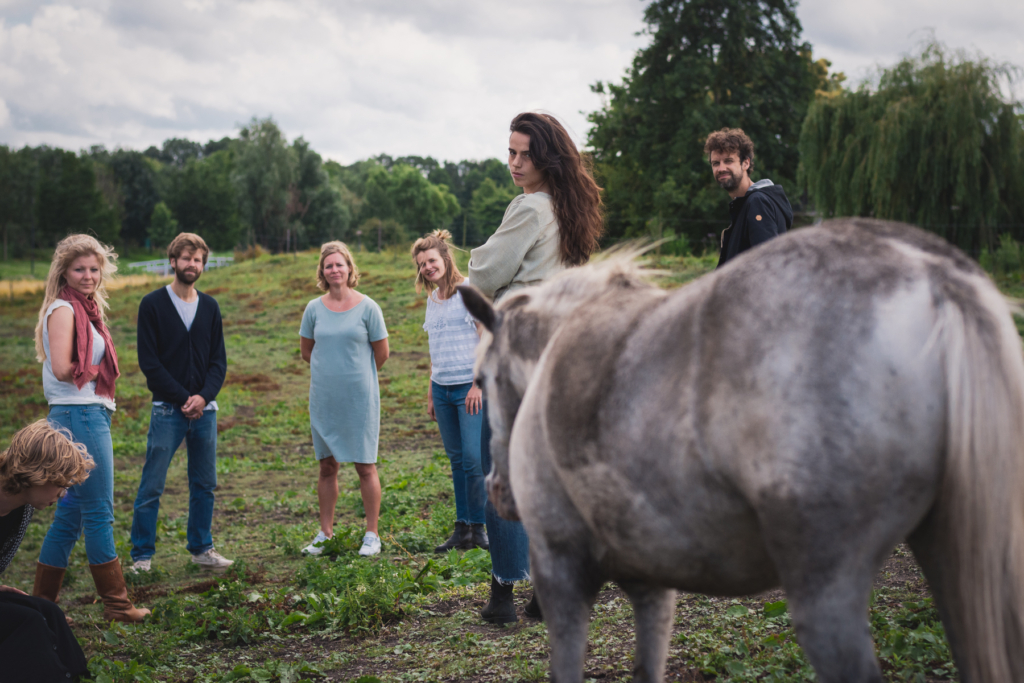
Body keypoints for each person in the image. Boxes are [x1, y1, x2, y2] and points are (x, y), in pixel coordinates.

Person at [468, 111, 603, 624]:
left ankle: (504, 591)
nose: (515, 162)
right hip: (555, 346)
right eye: (511, 151)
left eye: (526, 153)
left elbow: (483, 272)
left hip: (516, 348)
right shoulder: (571, 208)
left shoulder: (529, 208)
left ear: (547, 158)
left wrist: (490, 278)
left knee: (502, 470)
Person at [31, 234, 150, 623]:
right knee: (98, 510)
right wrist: (102, 370)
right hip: (78, 416)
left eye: (94, 269)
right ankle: (117, 604)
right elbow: (63, 368)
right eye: (79, 269)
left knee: (71, 516)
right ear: (64, 271)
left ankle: (43, 607)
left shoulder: (87, 309)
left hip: (81, 414)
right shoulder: (64, 309)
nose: (88, 276)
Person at [130, 233, 232, 574]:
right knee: (152, 485)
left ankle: (202, 548)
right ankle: (141, 556)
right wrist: (183, 397)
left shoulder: (210, 307)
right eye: (186, 258)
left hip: (205, 412)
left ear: (203, 265)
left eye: (197, 259)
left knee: (204, 484)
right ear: (172, 261)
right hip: (167, 410)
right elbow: (149, 363)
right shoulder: (152, 304)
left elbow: (218, 362)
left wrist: (203, 397)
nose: (192, 264)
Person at [299, 241, 390, 558]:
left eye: (340, 264)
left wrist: (356, 376)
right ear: (322, 272)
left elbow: (382, 353)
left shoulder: (369, 307)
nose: (334, 270)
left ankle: (372, 534)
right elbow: (307, 352)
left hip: (360, 399)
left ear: (350, 268)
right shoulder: (313, 309)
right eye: (329, 266)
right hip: (324, 398)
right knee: (327, 466)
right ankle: (325, 533)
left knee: (365, 465)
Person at [412, 230, 488, 553]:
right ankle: (462, 528)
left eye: (431, 260)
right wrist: (431, 392)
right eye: (422, 264)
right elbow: (435, 349)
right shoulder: (432, 300)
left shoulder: (469, 290)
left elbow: (486, 337)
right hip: (442, 390)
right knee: (456, 460)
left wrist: (477, 385)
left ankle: (480, 527)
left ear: (445, 258)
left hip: (468, 389)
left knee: (473, 458)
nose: (427, 267)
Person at [1, 421, 94, 682]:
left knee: (48, 611)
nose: (63, 494)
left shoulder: (23, 507)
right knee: (28, 621)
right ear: (36, 474)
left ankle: (77, 676)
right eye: (59, 484)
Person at [705, 127, 793, 268]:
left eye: (728, 161)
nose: (721, 168)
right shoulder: (744, 204)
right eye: (716, 163)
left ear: (745, 163)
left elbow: (770, 265)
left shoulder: (757, 202)